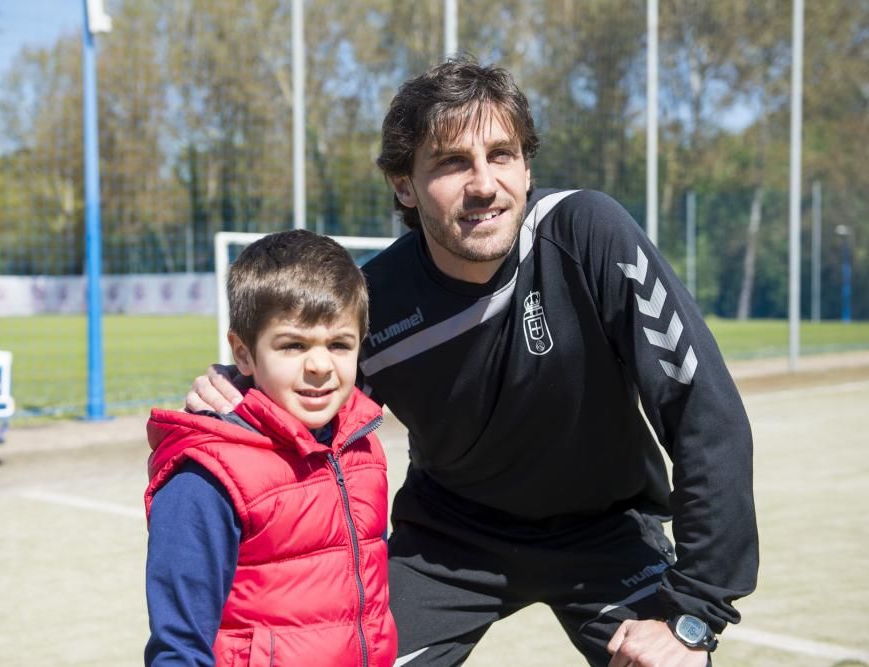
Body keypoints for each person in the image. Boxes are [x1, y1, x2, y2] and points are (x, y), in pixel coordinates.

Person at [186, 57, 758, 667]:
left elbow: (705, 414)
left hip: (608, 531)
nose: (484, 183)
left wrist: (693, 614)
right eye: (453, 162)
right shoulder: (375, 302)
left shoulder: (588, 234)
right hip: (450, 544)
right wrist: (240, 393)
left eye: (502, 155)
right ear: (404, 185)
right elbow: (305, 418)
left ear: (527, 164)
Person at [144, 230, 398, 666]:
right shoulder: (206, 476)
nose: (320, 366)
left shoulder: (363, 447)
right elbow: (179, 648)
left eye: (339, 344)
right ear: (243, 354)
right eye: (293, 345)